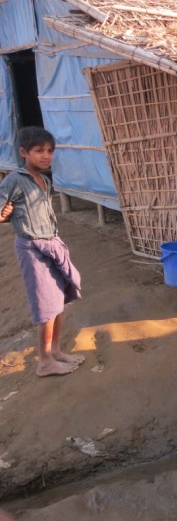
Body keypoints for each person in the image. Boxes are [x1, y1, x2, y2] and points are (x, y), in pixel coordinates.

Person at [0, 126, 83, 377]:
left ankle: (55, 351)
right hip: (32, 249)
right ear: (24, 152)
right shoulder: (14, 180)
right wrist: (3, 216)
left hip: (51, 245)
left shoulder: (45, 181)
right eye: (39, 151)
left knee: (57, 302)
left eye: (50, 151)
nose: (46, 156)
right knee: (46, 306)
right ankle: (44, 361)